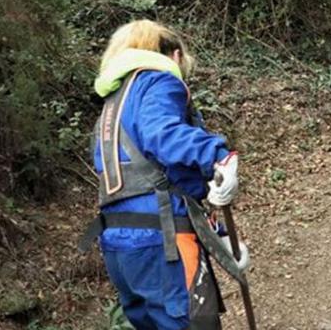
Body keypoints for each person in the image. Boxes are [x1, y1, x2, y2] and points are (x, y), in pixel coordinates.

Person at [82, 20, 249, 330]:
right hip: (162, 243)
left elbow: (157, 178)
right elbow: (163, 134)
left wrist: (218, 234)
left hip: (119, 247)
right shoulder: (158, 82)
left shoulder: (112, 106)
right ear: (173, 56)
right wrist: (218, 156)